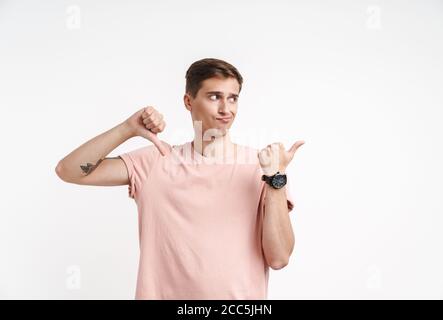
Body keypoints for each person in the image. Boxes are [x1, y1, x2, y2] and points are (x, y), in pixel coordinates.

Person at [55, 58, 305, 299]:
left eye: (233, 98)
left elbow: (279, 258)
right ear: (188, 101)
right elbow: (69, 170)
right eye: (214, 96)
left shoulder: (263, 167)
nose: (225, 109)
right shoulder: (156, 160)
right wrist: (127, 128)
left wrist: (275, 179)